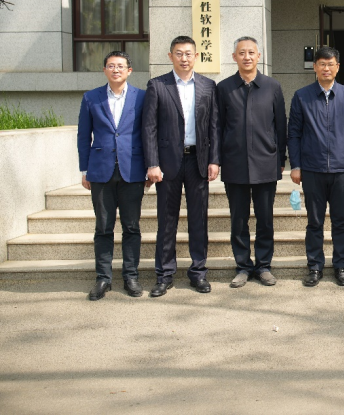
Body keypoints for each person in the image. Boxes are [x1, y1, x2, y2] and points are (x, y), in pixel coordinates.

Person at [143, 36, 220, 297]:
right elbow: (149, 128)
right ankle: (164, 275)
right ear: (170, 56)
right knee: (167, 221)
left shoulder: (208, 86)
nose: (184, 58)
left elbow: (214, 126)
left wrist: (214, 159)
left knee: (199, 220)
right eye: (179, 53)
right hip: (167, 164)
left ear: (196, 56)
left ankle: (198, 272)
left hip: (198, 161)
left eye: (188, 53)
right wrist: (152, 163)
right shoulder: (157, 85)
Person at [288, 46, 344, 288]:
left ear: (337, 67)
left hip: (342, 170)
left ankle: (341, 266)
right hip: (312, 169)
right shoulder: (302, 96)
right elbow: (294, 134)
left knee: (340, 221)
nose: (326, 68)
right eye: (322, 64)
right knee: (315, 222)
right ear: (315, 67)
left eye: (331, 64)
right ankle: (315, 266)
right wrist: (296, 165)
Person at [77, 51, 150, 301]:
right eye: (111, 66)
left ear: (129, 70)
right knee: (103, 227)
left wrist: (150, 166)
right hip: (100, 171)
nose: (115, 70)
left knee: (131, 227)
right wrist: (84, 170)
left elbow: (148, 133)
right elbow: (83, 136)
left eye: (120, 66)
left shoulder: (142, 97)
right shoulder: (91, 97)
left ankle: (131, 276)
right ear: (105, 70)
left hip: (133, 170)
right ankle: (103, 278)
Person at [217, 36, 287, 289]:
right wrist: (217, 159)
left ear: (259, 56)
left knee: (265, 219)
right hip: (234, 163)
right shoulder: (224, 88)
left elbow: (280, 125)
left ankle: (264, 266)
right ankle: (243, 266)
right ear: (234, 57)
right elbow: (218, 127)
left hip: (265, 162)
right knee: (238, 219)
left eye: (251, 52)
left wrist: (281, 159)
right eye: (241, 53)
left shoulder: (272, 86)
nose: (246, 57)